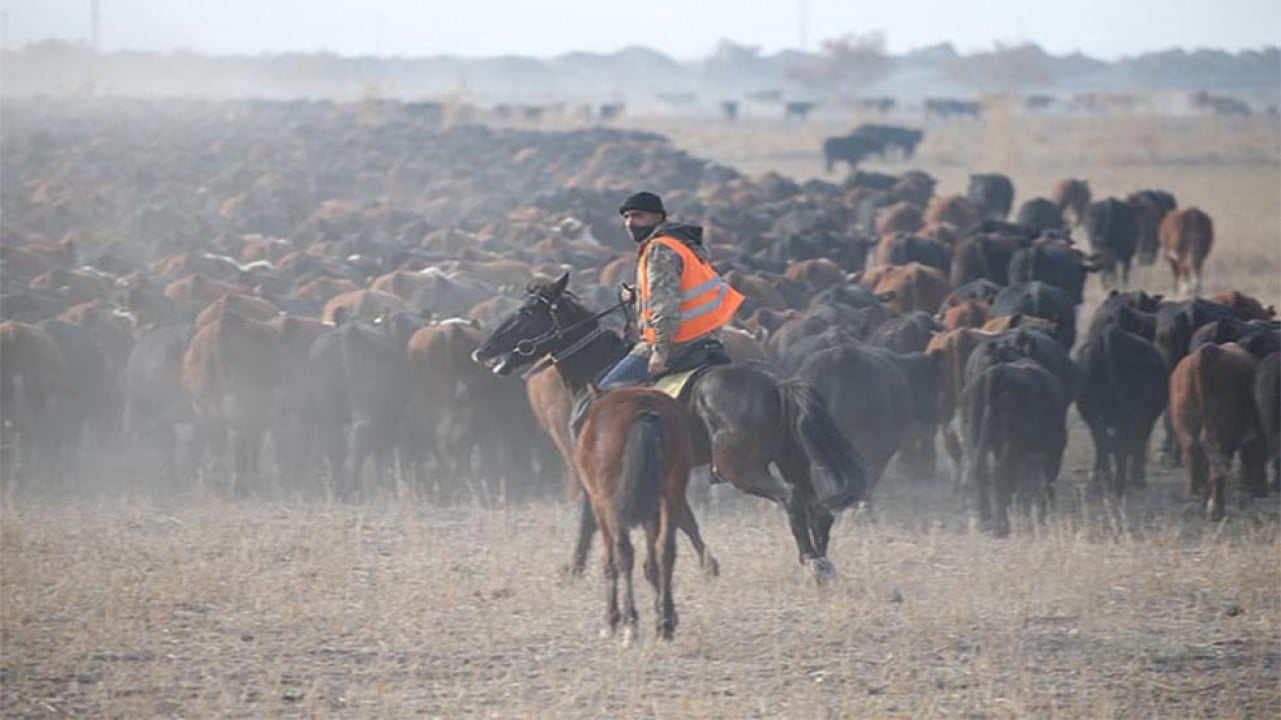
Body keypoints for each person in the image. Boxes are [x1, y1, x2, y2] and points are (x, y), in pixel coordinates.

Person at [571, 190, 744, 435]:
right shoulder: (682, 243)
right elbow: (679, 286)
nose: (631, 223)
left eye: (638, 216)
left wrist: (660, 351)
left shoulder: (658, 249)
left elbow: (666, 304)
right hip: (708, 337)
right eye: (627, 217)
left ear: (659, 218)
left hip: (675, 342)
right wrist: (640, 293)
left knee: (601, 398)